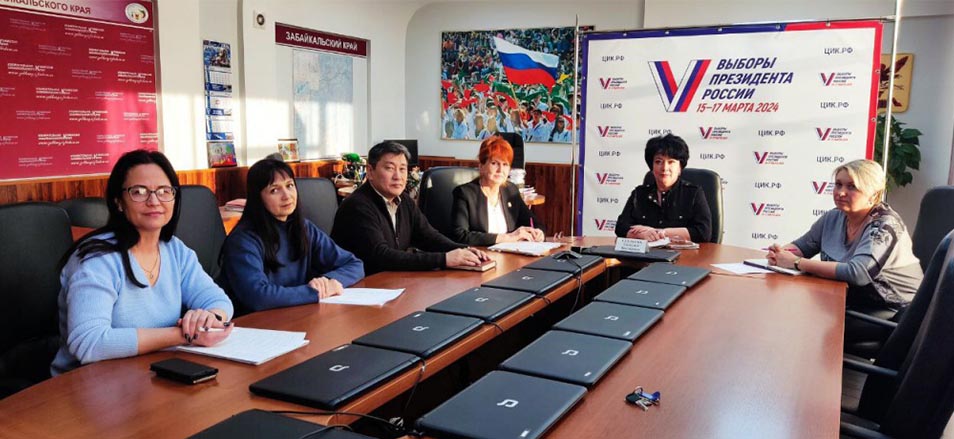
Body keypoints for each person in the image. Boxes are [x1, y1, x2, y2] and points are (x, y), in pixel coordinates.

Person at [52, 150, 233, 375]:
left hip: (152, 373)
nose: (154, 201)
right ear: (119, 202)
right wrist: (184, 334)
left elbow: (219, 301)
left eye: (164, 191)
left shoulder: (175, 250)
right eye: (139, 192)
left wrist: (208, 319)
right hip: (88, 382)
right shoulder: (97, 260)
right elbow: (89, 342)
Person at [766, 159, 922, 341]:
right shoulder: (834, 217)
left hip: (893, 313)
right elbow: (802, 246)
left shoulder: (884, 226)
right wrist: (780, 253)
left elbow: (858, 273)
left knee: (808, 323)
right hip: (851, 301)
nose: (840, 192)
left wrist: (796, 263)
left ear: (874, 194)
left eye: (852, 187)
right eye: (838, 184)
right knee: (786, 310)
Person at [218, 159, 364, 313]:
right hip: (255, 322)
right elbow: (257, 297)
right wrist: (313, 292)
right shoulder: (243, 240)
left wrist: (327, 283)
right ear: (258, 198)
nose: (287, 196)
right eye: (274, 190)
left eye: (289, 186)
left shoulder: (303, 227)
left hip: (295, 313)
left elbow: (354, 264)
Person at [332, 141, 489, 274]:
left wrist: (464, 250)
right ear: (370, 172)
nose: (398, 176)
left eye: (402, 169)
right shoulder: (358, 206)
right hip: (360, 286)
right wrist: (444, 259)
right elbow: (381, 257)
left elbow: (428, 236)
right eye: (390, 168)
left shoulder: (404, 200)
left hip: (391, 282)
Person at [614, 134, 711, 243]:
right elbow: (620, 227)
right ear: (652, 167)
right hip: (647, 252)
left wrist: (661, 232)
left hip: (682, 252)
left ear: (680, 167)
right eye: (658, 161)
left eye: (671, 162)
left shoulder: (693, 193)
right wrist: (640, 234)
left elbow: (703, 232)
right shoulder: (639, 193)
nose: (664, 168)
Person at [451, 136, 545, 246]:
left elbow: (532, 222)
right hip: (480, 254)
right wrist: (506, 238)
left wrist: (538, 233)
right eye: (494, 163)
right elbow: (460, 235)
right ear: (481, 166)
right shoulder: (465, 193)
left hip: (510, 252)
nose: (500, 170)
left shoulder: (511, 190)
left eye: (505, 164)